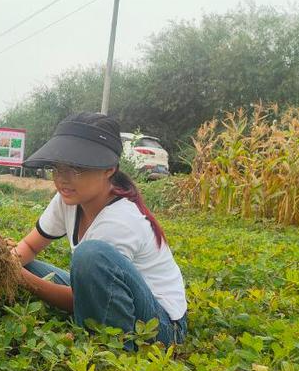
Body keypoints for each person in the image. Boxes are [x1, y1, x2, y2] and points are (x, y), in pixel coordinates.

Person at [13, 112, 187, 347]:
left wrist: (21, 279)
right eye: (57, 168)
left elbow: (78, 300)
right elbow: (31, 245)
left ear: (109, 169)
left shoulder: (121, 221)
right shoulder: (68, 198)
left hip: (160, 325)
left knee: (91, 255)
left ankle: (117, 347)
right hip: (113, 290)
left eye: (76, 169)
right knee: (17, 259)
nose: (63, 179)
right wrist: (5, 263)